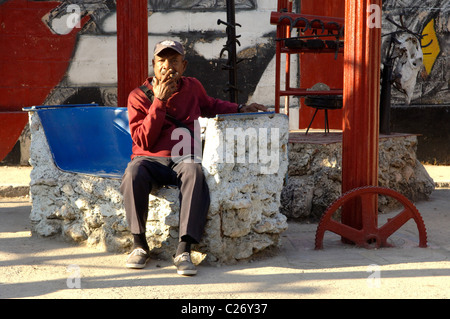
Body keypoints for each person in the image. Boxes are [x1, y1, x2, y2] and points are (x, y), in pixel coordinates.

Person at [120, 40, 267, 275]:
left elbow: (211, 105)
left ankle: (183, 249)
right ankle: (139, 245)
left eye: (174, 61)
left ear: (184, 65)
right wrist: (159, 101)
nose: (168, 66)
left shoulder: (192, 87)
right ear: (153, 65)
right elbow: (143, 141)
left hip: (183, 156)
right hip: (149, 159)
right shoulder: (138, 96)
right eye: (162, 61)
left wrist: (240, 108)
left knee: (194, 172)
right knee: (132, 173)